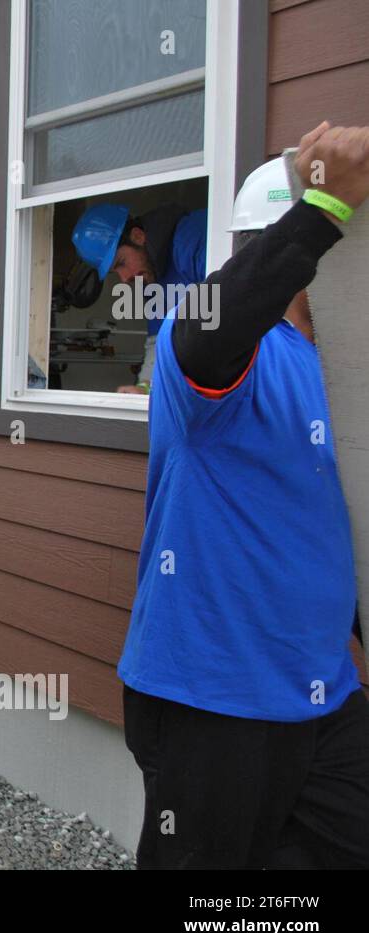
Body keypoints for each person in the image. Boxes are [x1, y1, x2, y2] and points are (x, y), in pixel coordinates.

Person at [119, 124, 369, 869]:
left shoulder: (341, 370)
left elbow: (334, 522)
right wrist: (324, 208)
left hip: (325, 693)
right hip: (213, 699)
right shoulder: (220, 347)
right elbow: (207, 329)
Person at [72, 201, 208, 393]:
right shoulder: (150, 279)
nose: (124, 278)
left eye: (121, 262)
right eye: (115, 272)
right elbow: (158, 342)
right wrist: (144, 388)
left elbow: (230, 310)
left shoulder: (193, 236)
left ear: (137, 236)